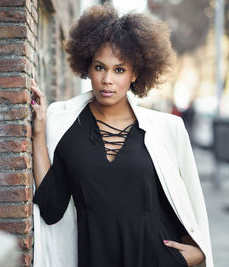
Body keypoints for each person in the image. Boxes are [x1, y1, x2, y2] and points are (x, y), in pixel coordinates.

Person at [29, 3, 213, 267]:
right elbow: (51, 207)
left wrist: (196, 254)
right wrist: (38, 132)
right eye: (100, 67)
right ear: (87, 68)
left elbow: (185, 209)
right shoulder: (67, 125)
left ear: (135, 73)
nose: (107, 80)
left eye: (119, 69)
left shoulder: (165, 130)